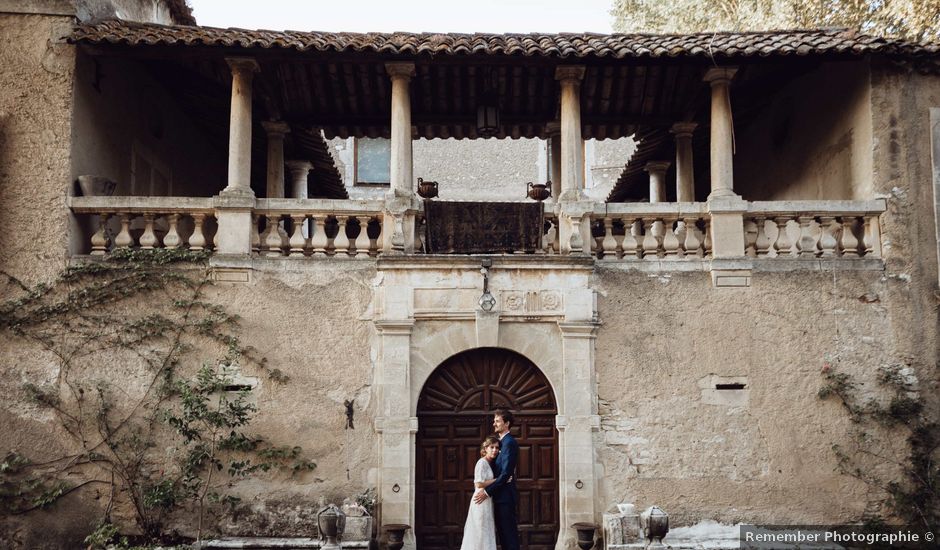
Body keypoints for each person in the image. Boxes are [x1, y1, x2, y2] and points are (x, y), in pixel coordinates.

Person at [474, 409, 520, 550]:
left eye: (497, 421)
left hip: (505, 498)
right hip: (499, 497)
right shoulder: (501, 443)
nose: (494, 424)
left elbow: (506, 473)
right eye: (495, 421)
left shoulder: (509, 443)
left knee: (509, 537)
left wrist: (487, 492)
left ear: (506, 423)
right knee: (503, 536)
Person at [460, 436, 500, 550]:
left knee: (485, 531)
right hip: (480, 501)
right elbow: (478, 483)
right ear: (485, 448)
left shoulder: (490, 463)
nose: (494, 450)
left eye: (497, 448)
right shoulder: (481, 463)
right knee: (479, 531)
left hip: (487, 501)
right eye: (492, 447)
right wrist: (498, 479)